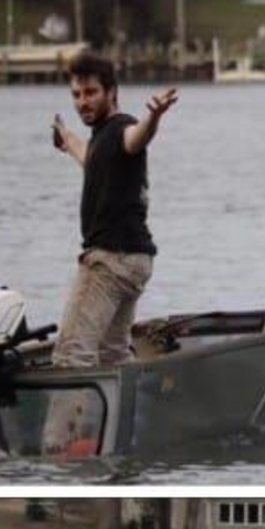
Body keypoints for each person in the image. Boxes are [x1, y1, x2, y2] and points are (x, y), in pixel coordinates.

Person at [50, 52, 178, 369]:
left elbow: (137, 139)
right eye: (76, 95)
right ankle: (126, 417)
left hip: (109, 261)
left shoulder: (123, 128)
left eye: (91, 93)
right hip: (135, 261)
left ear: (111, 92)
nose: (82, 102)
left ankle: (74, 421)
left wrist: (154, 118)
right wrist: (67, 140)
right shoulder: (102, 139)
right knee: (112, 356)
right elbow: (92, 161)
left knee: (70, 356)